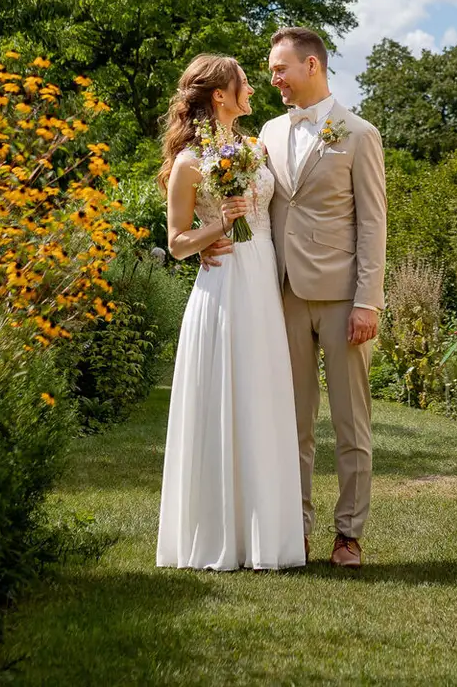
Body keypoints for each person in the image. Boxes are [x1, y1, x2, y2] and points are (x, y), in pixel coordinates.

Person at [154, 55, 306, 570]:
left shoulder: (256, 148)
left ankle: (270, 536)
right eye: (243, 83)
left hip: (262, 277)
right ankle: (219, 535)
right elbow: (176, 243)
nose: (253, 89)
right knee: (223, 394)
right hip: (222, 284)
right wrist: (220, 228)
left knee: (262, 395)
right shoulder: (189, 162)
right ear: (220, 95)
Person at [259, 26, 387, 568]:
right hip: (280, 294)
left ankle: (349, 535)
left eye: (281, 68)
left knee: (350, 423)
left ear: (313, 66)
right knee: (292, 421)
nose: (275, 80)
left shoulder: (358, 134)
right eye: (270, 71)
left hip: (341, 298)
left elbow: (373, 224)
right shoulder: (265, 132)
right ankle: (296, 527)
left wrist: (368, 300)